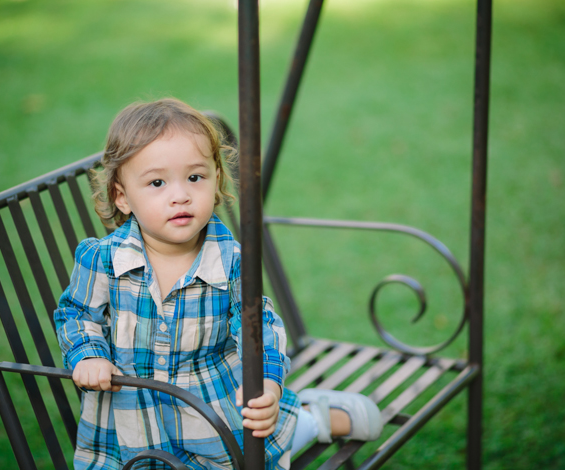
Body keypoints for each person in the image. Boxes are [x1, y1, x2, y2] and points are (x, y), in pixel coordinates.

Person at [55, 98, 382, 470]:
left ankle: (310, 418)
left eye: (195, 177)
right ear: (122, 197)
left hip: (211, 416)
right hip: (130, 424)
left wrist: (267, 385)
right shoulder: (103, 259)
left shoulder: (231, 262)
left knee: (250, 449)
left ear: (216, 181)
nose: (180, 195)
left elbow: (260, 326)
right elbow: (76, 313)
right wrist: (89, 353)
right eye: (157, 182)